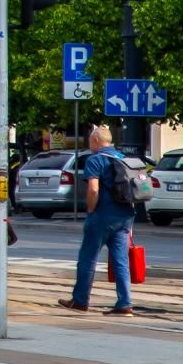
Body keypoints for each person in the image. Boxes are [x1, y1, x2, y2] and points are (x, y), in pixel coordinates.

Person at [59, 124, 136, 317]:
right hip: (124, 216)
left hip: (103, 215)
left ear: (95, 140)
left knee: (88, 258)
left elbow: (93, 189)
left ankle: (80, 300)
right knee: (120, 261)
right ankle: (124, 303)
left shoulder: (96, 160)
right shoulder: (124, 159)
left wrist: (91, 210)